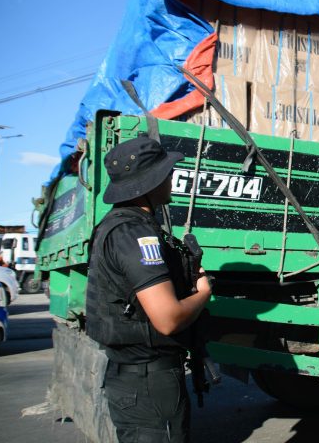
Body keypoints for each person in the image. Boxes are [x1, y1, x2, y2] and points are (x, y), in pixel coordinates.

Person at [85, 135, 212, 443]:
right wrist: (204, 292)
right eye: (166, 172)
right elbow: (168, 318)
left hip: (137, 378)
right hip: (148, 384)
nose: (171, 178)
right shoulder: (134, 233)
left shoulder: (118, 226)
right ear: (150, 182)